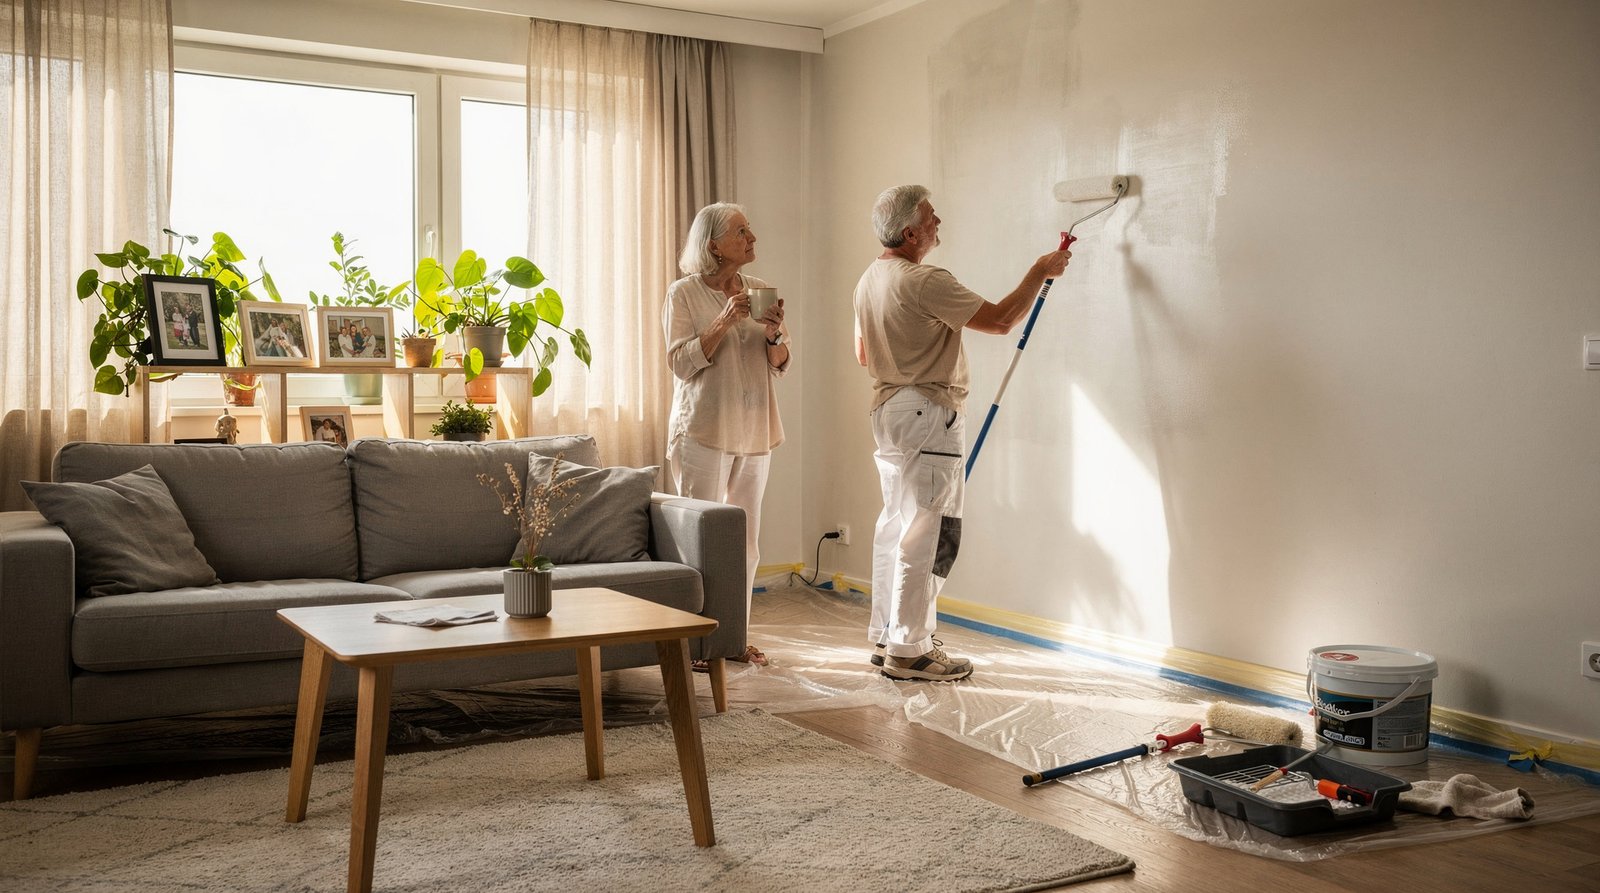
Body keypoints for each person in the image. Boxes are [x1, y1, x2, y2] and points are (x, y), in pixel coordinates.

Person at [852, 185, 1071, 682]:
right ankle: (909, 652)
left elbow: (863, 354)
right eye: (931, 217)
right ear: (910, 232)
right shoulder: (925, 279)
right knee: (927, 533)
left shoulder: (869, 279)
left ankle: (889, 636)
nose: (938, 222)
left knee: (896, 525)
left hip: (887, 409)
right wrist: (1040, 272)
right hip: (928, 411)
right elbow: (998, 321)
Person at [664, 202, 790, 668]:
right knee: (700, 542)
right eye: (741, 231)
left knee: (747, 542)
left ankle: (733, 640)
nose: (752, 237)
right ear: (713, 244)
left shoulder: (759, 289)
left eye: (750, 228)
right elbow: (679, 363)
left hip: (755, 429)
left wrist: (775, 335)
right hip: (703, 430)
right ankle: (698, 644)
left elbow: (779, 365)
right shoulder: (684, 294)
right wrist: (723, 321)